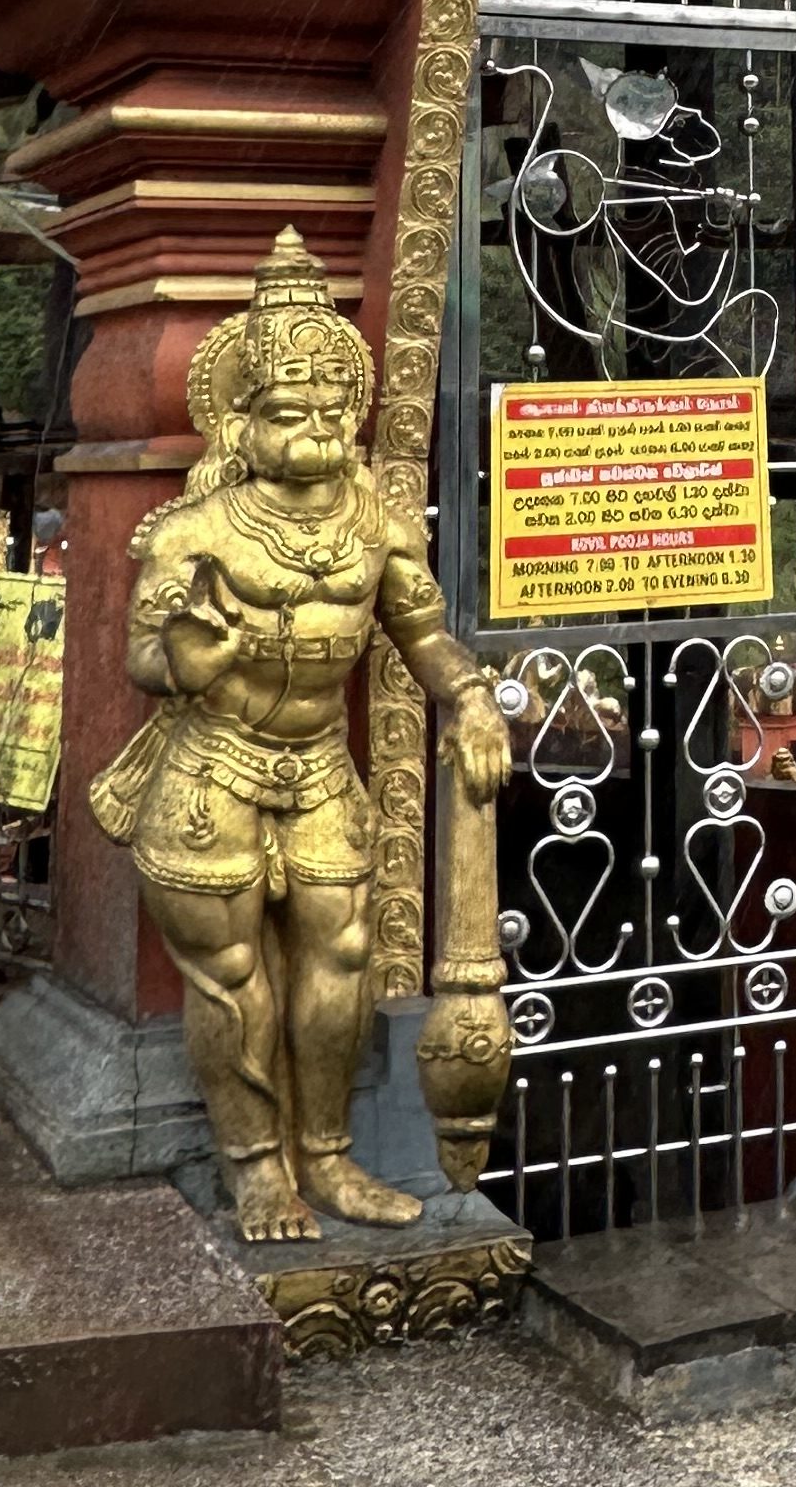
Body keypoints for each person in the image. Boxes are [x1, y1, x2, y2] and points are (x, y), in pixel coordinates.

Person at [91, 228, 510, 1238]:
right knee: (232, 977)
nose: (317, 424)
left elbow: (422, 633)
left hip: (320, 764)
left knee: (345, 952)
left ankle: (326, 1154)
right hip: (211, 767)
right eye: (291, 409)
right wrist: (190, 653)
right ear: (242, 418)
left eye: (334, 405)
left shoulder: (379, 523)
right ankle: (254, 1170)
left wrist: (470, 695)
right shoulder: (199, 530)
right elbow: (145, 658)